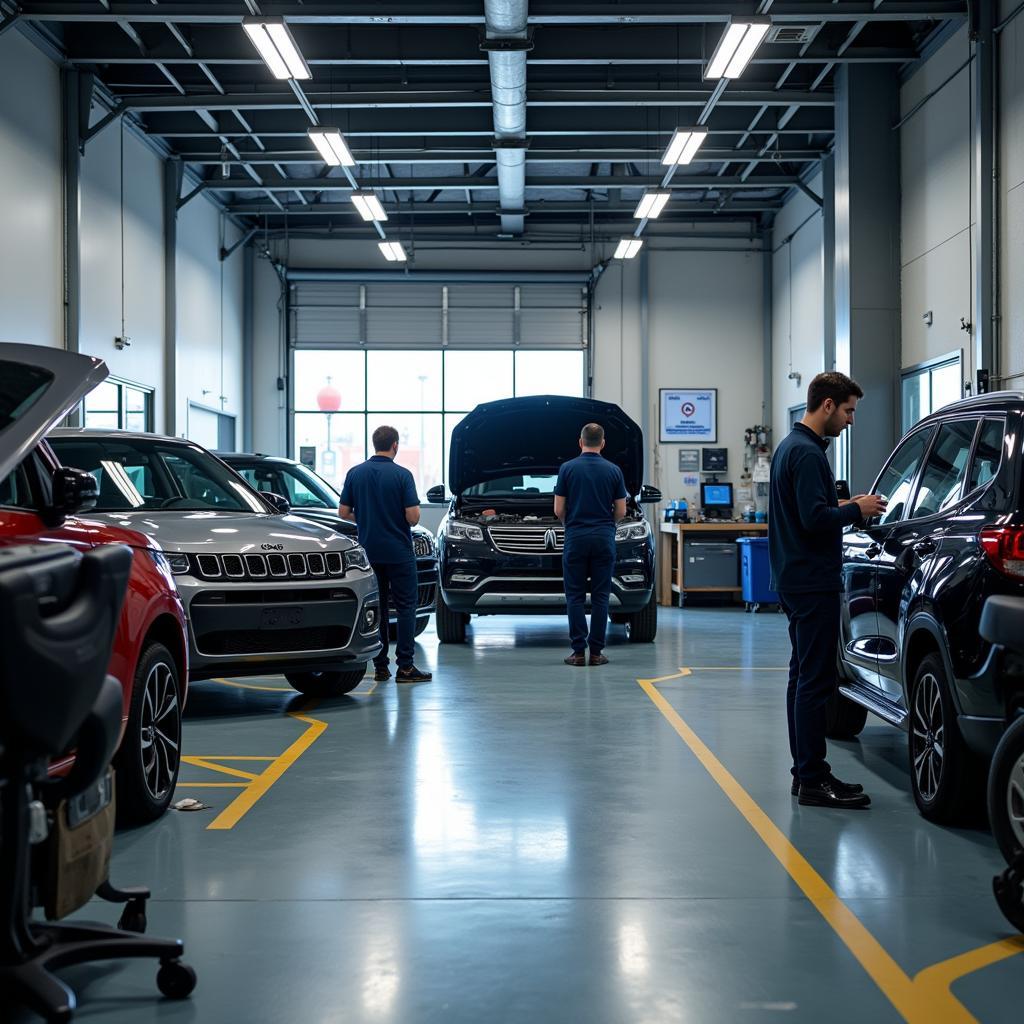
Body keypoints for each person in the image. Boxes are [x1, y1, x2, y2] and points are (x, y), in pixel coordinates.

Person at [769, 371, 886, 809]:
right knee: (815, 683)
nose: (851, 420)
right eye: (850, 410)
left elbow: (811, 509)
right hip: (812, 580)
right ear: (828, 405)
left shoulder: (791, 449)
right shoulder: (808, 455)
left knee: (802, 677)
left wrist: (839, 506)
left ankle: (806, 773)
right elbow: (814, 521)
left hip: (794, 577)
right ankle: (814, 779)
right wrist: (857, 510)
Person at [339, 426, 432, 684]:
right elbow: (413, 517)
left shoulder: (355, 473)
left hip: (369, 555)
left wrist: (368, 517)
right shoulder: (402, 475)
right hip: (399, 554)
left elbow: (343, 512)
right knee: (405, 608)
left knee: (377, 609)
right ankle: (406, 667)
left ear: (374, 444)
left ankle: (380, 667)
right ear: (395, 445)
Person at [553, 422, 628, 667]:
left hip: (575, 537)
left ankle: (578, 652)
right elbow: (621, 510)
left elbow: (558, 509)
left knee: (574, 596)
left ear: (580, 441)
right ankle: (596, 653)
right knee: (600, 596)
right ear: (603, 443)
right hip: (604, 537)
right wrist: (606, 525)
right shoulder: (614, 470)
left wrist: (571, 524)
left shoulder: (567, 468)